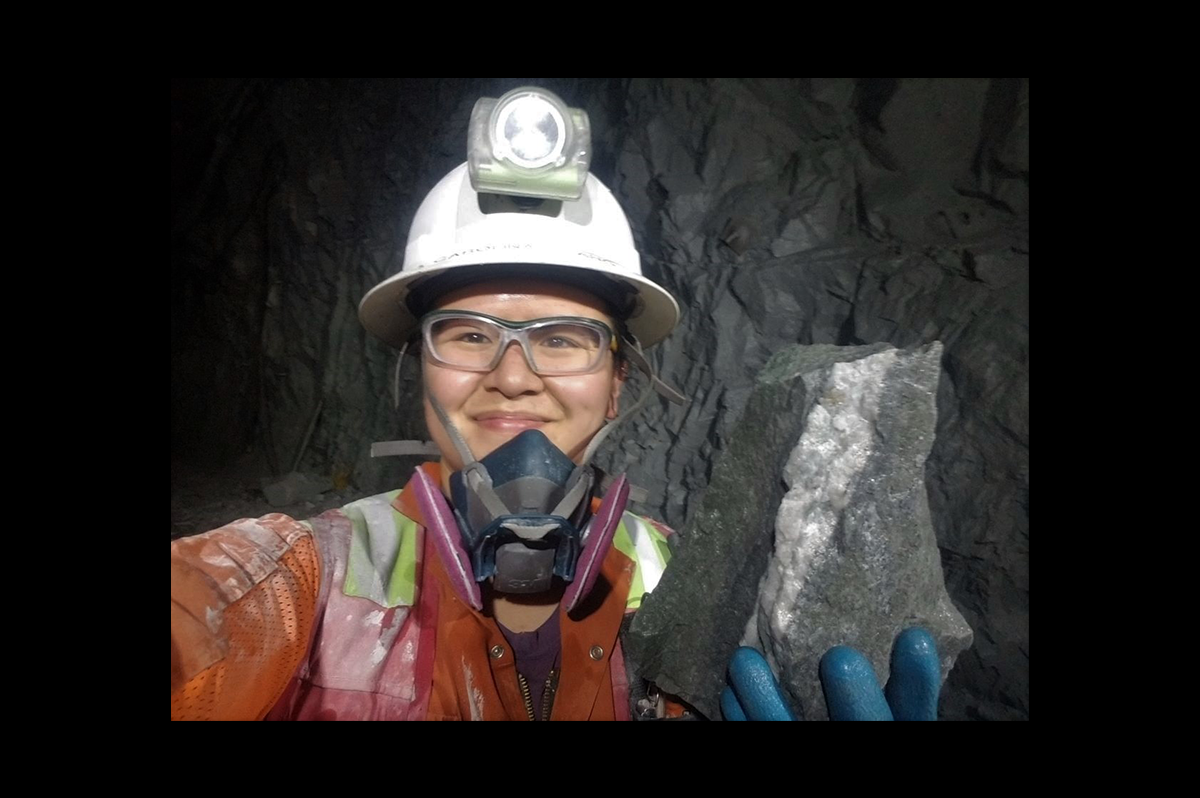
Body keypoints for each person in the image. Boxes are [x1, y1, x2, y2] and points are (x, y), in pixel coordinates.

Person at [171, 86, 939, 721]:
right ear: (418, 368)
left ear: (618, 383)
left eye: (565, 338)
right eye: (469, 335)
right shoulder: (299, 579)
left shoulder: (705, 588)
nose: (512, 376)